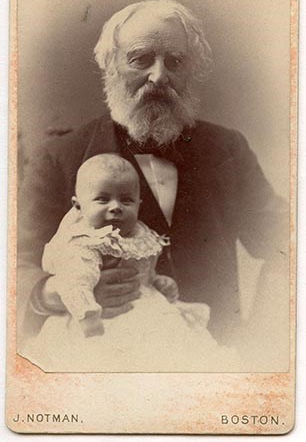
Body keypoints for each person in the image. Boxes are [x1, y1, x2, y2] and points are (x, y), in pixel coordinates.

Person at [18, 0, 288, 358]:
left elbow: (287, 244)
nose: (160, 76)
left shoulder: (227, 149)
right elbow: (13, 266)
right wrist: (59, 293)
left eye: (175, 62)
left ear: (191, 71)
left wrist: (264, 337)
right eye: (141, 59)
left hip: (217, 357)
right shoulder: (59, 158)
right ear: (110, 66)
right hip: (103, 361)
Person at [21, 154, 240, 372]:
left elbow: (144, 272)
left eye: (126, 200)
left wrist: (157, 282)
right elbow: (78, 279)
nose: (116, 207)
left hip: (149, 312)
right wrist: (87, 311)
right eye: (102, 199)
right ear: (78, 206)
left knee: (176, 356)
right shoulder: (87, 242)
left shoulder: (139, 236)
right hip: (103, 320)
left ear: (138, 204)